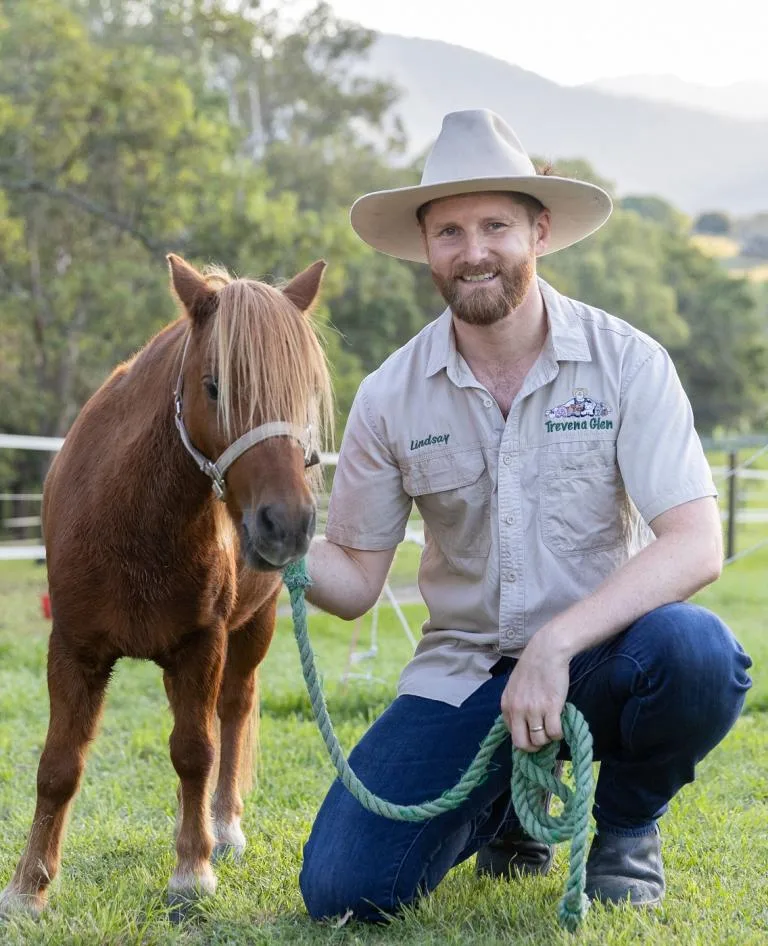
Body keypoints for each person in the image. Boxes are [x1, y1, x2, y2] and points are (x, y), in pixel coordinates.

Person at [298, 109, 752, 919]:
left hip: (604, 655)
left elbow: (695, 544)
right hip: (463, 672)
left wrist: (556, 642)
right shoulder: (389, 396)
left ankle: (626, 824)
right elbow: (356, 580)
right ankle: (506, 805)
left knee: (698, 653)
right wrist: (270, 531)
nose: (473, 252)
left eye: (496, 226)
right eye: (449, 233)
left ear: (539, 232)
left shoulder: (627, 362)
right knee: (344, 891)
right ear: (426, 249)